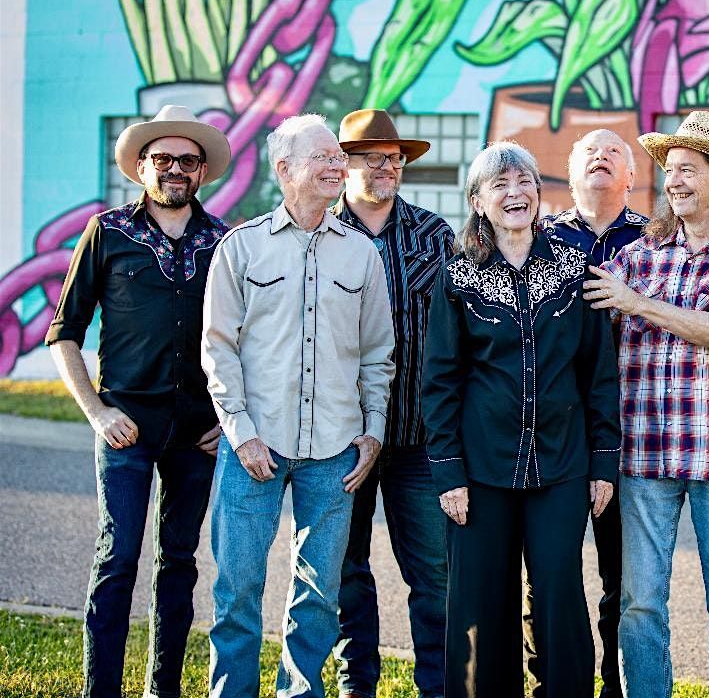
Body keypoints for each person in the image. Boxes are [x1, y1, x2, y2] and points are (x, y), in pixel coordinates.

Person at [585, 111, 709, 698]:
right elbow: (582, 312)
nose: (673, 181)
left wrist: (638, 304)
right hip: (644, 456)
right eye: (669, 170)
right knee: (640, 604)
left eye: (688, 170)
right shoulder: (639, 257)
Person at [201, 114, 395, 697]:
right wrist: (240, 431)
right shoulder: (241, 247)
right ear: (284, 168)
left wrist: (374, 430)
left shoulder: (362, 256)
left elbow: (377, 353)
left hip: (335, 451)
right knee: (237, 591)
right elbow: (218, 348)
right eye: (323, 157)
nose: (337, 165)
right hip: (253, 446)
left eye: (339, 157)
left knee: (318, 596)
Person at [422, 142, 622, 698]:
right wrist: (448, 472)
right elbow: (440, 379)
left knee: (559, 591)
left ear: (538, 191)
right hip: (479, 470)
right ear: (478, 202)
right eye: (499, 185)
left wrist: (603, 463)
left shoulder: (575, 270)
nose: (515, 193)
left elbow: (598, 373)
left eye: (524, 181)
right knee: (481, 601)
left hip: (562, 464)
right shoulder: (457, 276)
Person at [46, 104, 231, 698]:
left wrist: (230, 418)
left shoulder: (224, 241)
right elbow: (64, 332)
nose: (176, 169)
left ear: (201, 171)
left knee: (179, 561)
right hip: (125, 424)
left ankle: (162, 689)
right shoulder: (107, 232)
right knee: (117, 557)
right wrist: (97, 412)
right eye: (164, 158)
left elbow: (249, 340)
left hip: (198, 433)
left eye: (188, 161)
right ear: (142, 166)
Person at [331, 109, 455, 698]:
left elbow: (461, 331)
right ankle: (357, 684)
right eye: (375, 157)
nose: (389, 167)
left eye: (396, 158)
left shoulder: (435, 236)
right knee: (345, 571)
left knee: (434, 577)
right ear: (343, 165)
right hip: (338, 436)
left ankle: (438, 687)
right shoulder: (319, 234)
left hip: (418, 437)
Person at [532, 128, 646, 698]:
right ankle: (549, 683)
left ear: (632, 175)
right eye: (589, 152)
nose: (602, 157)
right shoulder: (540, 241)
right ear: (571, 171)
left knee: (622, 578)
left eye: (614, 152)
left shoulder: (655, 240)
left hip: (631, 430)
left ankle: (614, 687)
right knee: (548, 571)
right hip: (556, 431)